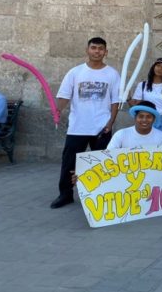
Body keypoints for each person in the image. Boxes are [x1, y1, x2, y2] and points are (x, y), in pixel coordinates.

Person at [51, 37, 120, 209]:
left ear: (106, 52)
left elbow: (115, 101)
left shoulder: (112, 73)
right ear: (87, 50)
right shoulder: (75, 73)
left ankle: (100, 194)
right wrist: (57, 108)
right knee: (69, 162)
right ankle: (65, 194)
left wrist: (111, 122)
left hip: (102, 126)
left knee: (101, 163)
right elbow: (63, 97)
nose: (97, 51)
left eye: (100, 49)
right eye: (93, 48)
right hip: (78, 127)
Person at [129, 58, 162, 141]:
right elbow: (136, 105)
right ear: (153, 67)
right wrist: (128, 98)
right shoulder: (142, 85)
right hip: (149, 119)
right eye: (158, 65)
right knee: (149, 145)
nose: (160, 69)